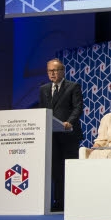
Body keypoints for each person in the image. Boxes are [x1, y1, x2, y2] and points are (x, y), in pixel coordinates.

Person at [38, 58, 84, 211]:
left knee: (68, 170)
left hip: (69, 135)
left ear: (62, 71)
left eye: (55, 70)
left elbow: (78, 108)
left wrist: (69, 122)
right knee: (55, 169)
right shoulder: (43, 89)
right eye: (49, 71)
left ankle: (71, 202)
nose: (52, 73)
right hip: (51, 136)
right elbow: (42, 111)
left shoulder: (73, 86)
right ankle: (58, 202)